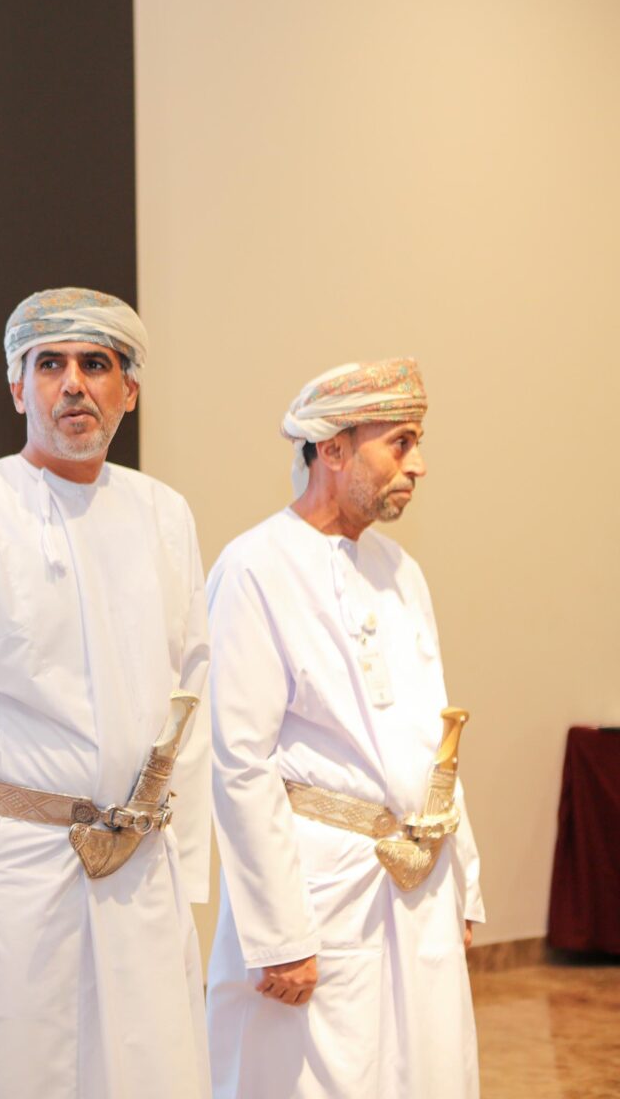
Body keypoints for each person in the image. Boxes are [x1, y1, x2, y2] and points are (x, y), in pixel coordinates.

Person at [0, 287, 212, 1097]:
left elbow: (194, 692)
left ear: (129, 391)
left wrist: (187, 869)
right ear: (16, 386)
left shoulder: (164, 515)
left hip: (141, 872)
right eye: (50, 365)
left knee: (149, 1073)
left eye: (95, 364)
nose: (73, 385)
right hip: (13, 878)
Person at [206, 357, 484, 1098]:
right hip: (317, 892)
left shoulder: (402, 571)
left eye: (418, 443)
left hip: (418, 885)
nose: (418, 466)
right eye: (400, 443)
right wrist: (277, 932)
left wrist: (462, 883)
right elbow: (238, 761)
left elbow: (437, 741)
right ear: (332, 448)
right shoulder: (254, 568)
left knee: (426, 1073)